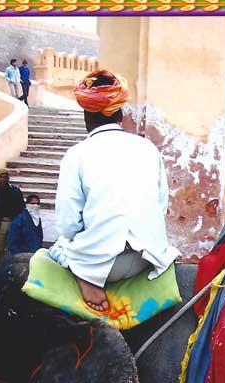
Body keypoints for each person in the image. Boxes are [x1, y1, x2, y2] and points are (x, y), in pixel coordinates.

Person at [48, 69, 179, 312]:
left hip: (100, 266)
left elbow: (68, 225)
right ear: (120, 113)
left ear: (87, 116)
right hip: (147, 258)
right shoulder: (148, 148)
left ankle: (87, 281)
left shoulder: (76, 155)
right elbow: (161, 207)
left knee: (57, 247)